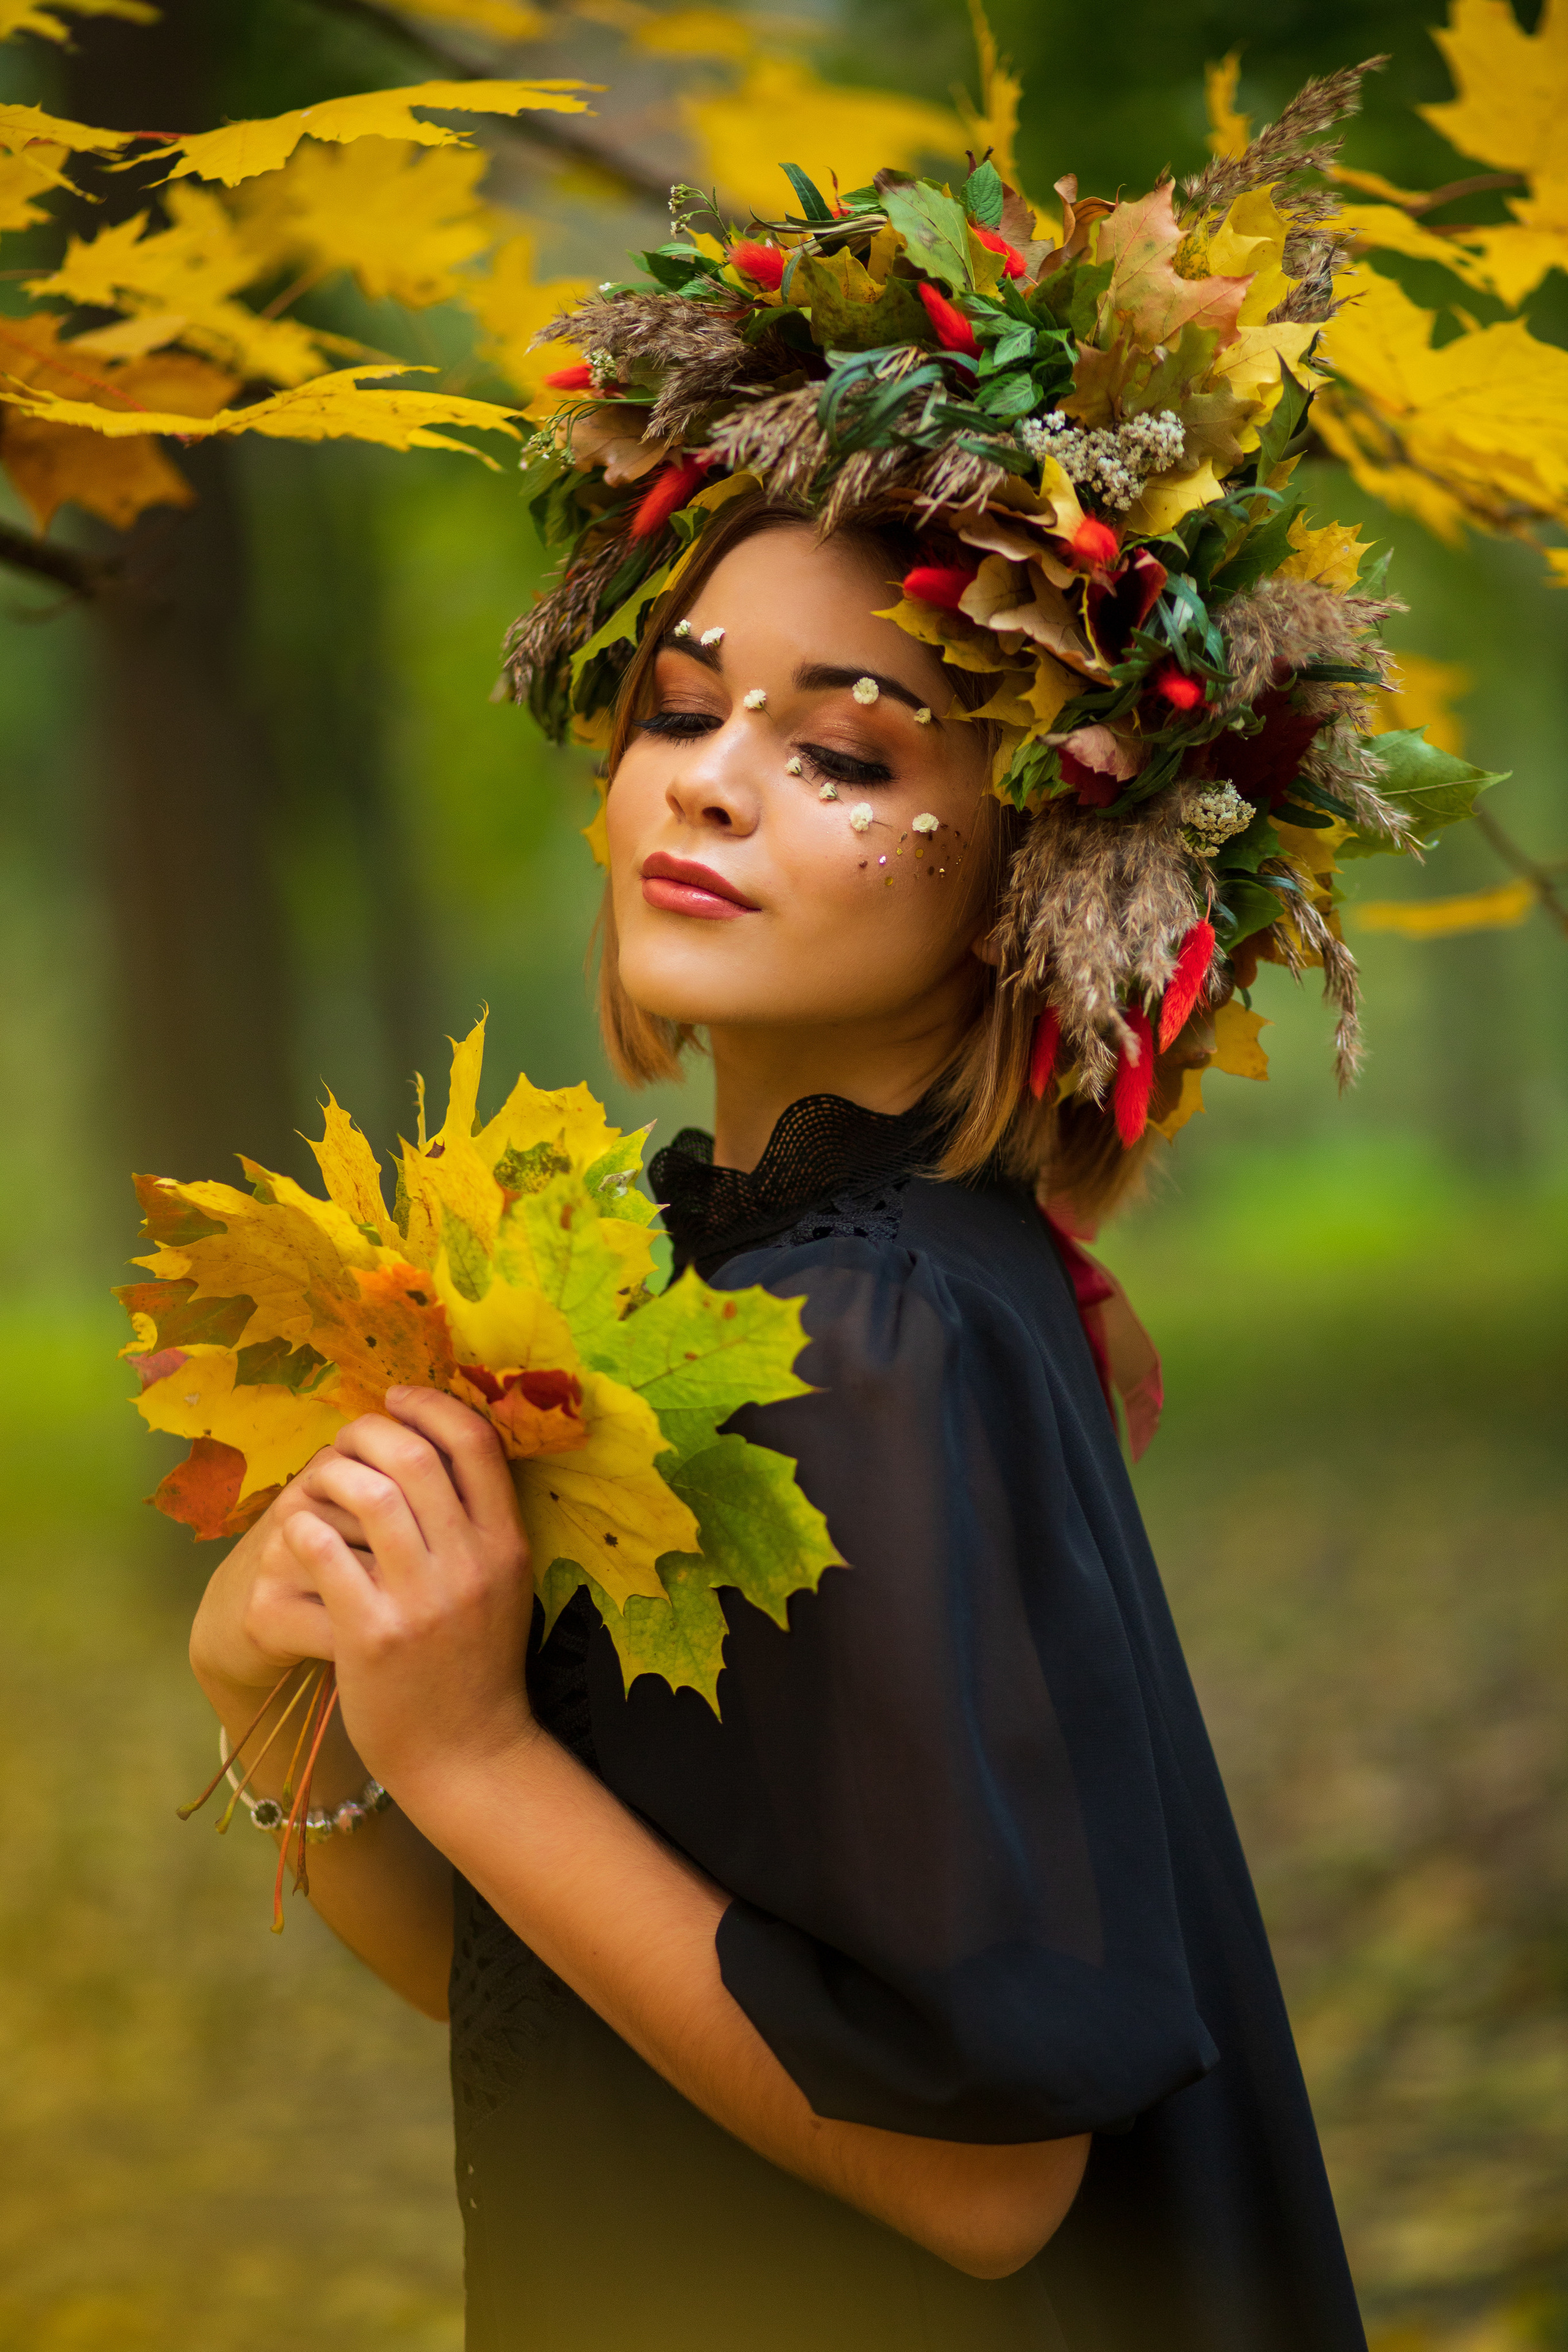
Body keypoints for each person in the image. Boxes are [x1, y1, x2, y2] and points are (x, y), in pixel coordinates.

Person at [189, 500, 1368, 2350]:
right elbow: (565, 1981)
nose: (711, 785)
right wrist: (299, 1714)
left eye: (843, 749)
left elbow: (988, 2184)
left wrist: (477, 1751)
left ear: (1037, 874)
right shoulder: (746, 1287)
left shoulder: (867, 1328)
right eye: (679, 711)